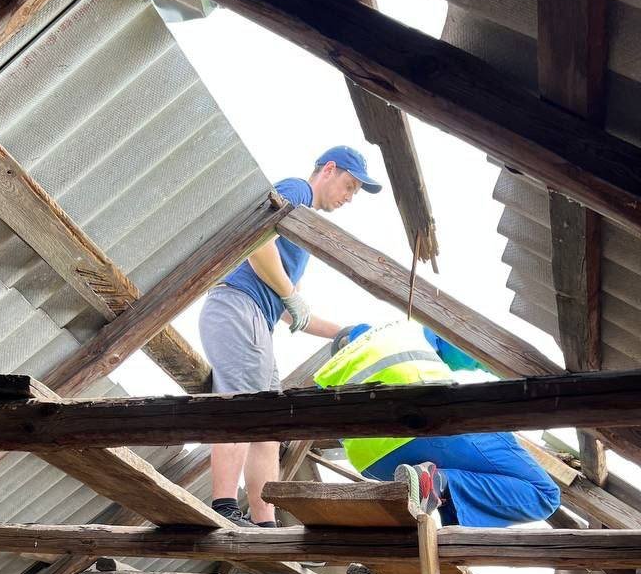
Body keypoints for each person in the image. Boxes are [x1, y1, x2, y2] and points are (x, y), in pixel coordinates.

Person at [199, 146, 382, 527]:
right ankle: (224, 507)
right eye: (349, 186)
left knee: (270, 425)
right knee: (241, 408)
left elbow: (291, 312)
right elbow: (256, 245)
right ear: (329, 169)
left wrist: (345, 332)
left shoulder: (303, 233)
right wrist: (290, 294)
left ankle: (265, 522)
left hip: (260, 319)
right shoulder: (297, 192)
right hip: (238, 304)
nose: (349, 198)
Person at [312, 319, 561, 526]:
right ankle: (436, 482)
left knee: (435, 487)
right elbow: (475, 353)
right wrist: (532, 389)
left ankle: (437, 496)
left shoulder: (327, 374)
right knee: (544, 494)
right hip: (433, 424)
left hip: (374, 462)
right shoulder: (404, 327)